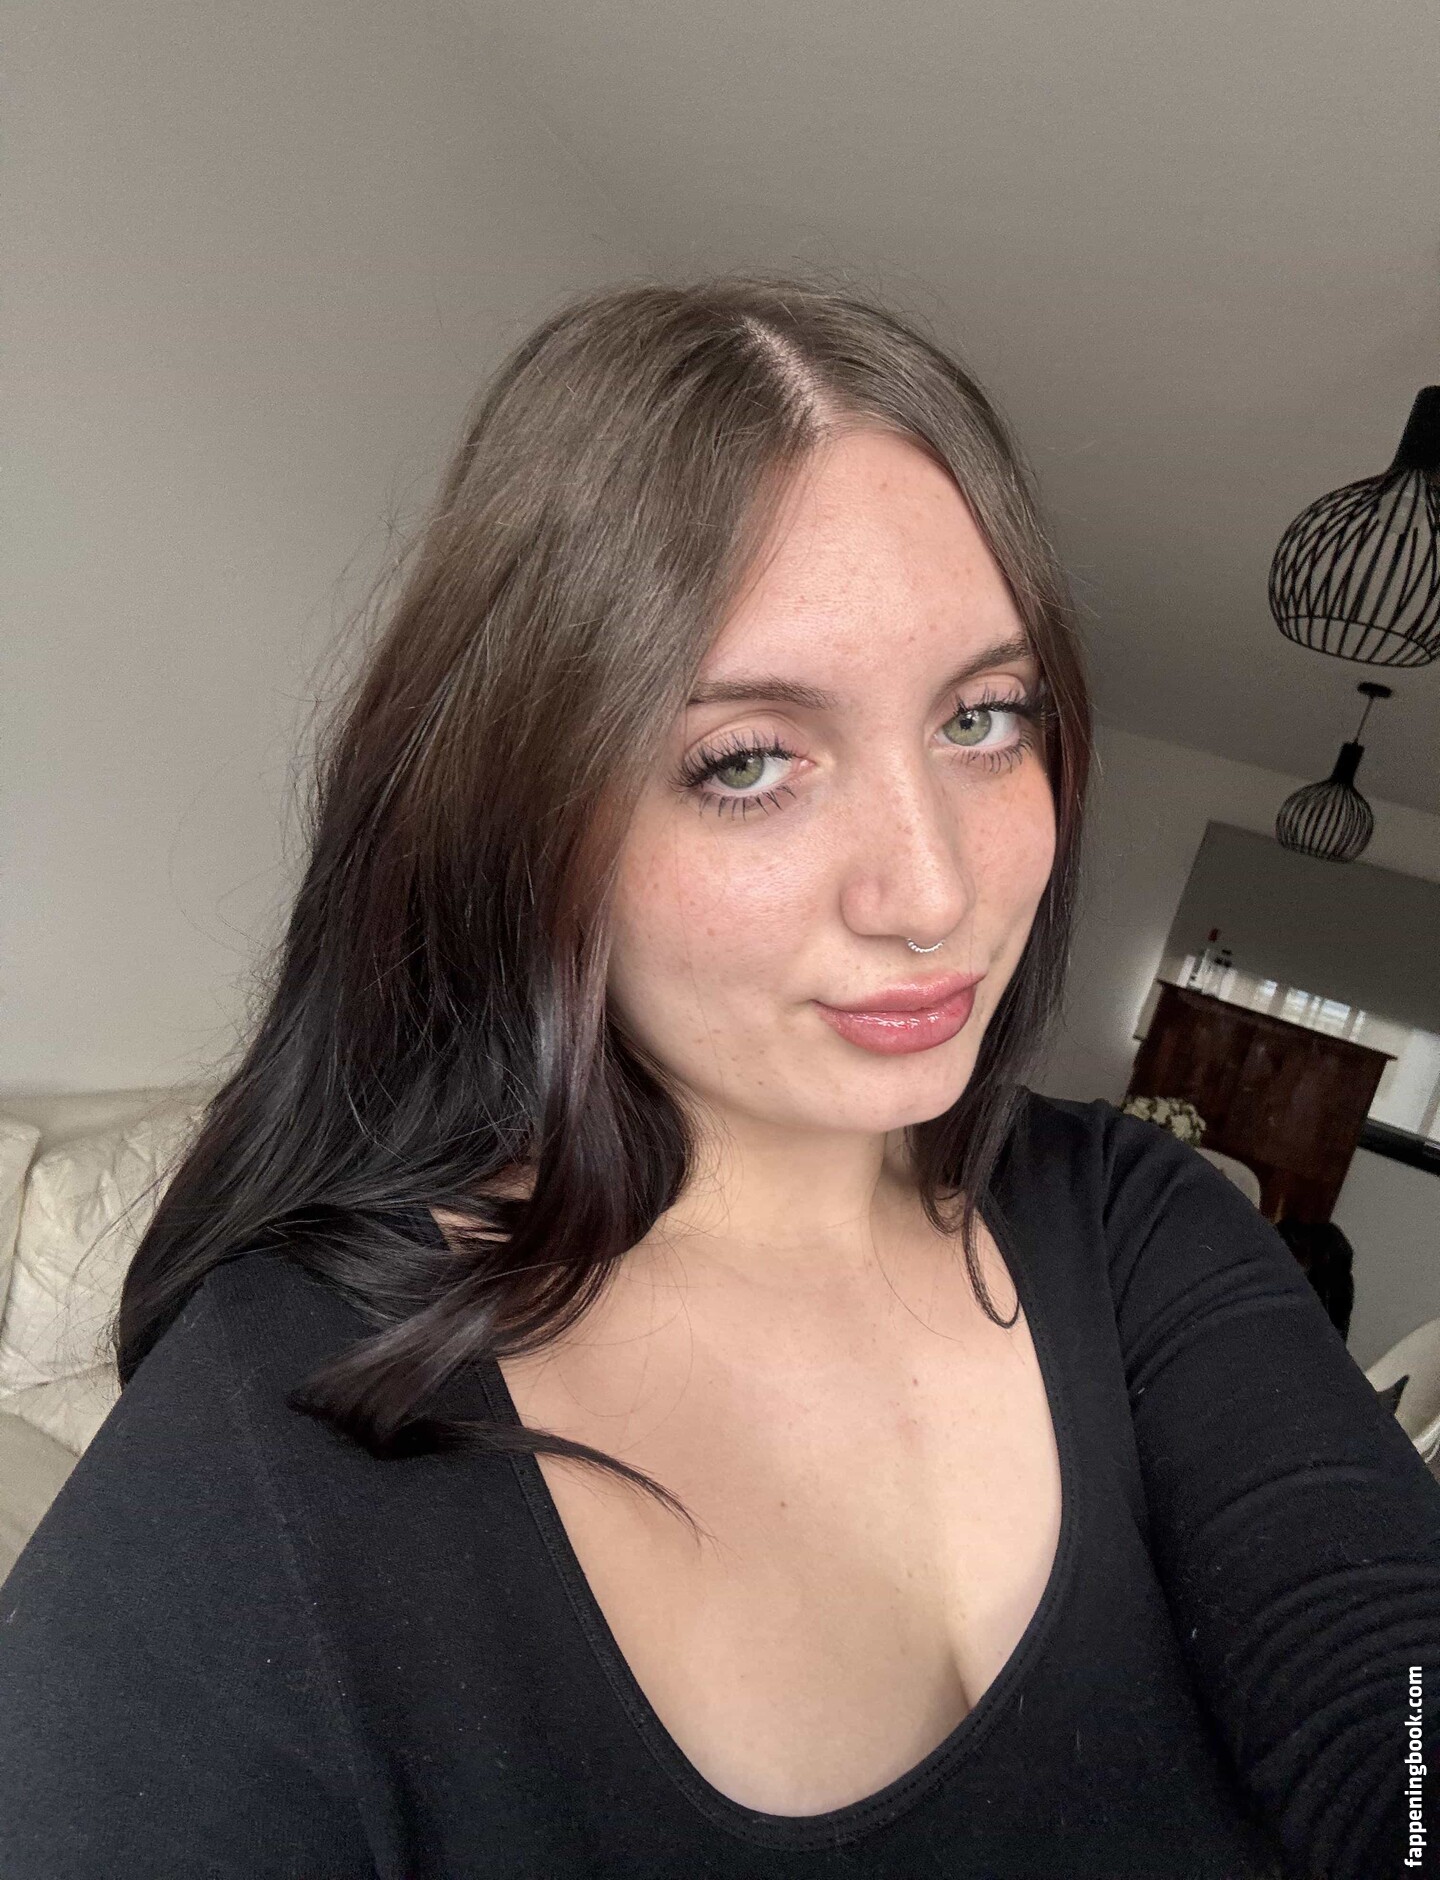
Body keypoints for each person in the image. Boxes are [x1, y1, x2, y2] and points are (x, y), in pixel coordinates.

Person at [0, 276, 1435, 1880]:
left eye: (983, 718)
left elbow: (1396, 1717)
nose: (934, 891)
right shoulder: (280, 1439)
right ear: (526, 816)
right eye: (747, 760)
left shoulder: (1133, 1222)